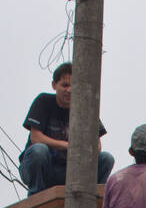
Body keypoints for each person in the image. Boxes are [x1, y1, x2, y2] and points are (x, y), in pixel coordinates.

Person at [19, 62, 114, 197]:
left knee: (106, 159)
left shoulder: (85, 109)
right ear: (54, 85)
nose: (69, 90)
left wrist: (82, 151)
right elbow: (35, 137)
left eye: (73, 86)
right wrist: (68, 146)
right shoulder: (43, 102)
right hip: (45, 168)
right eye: (64, 85)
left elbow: (97, 146)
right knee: (39, 150)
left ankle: (92, 198)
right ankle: (36, 197)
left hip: (71, 171)